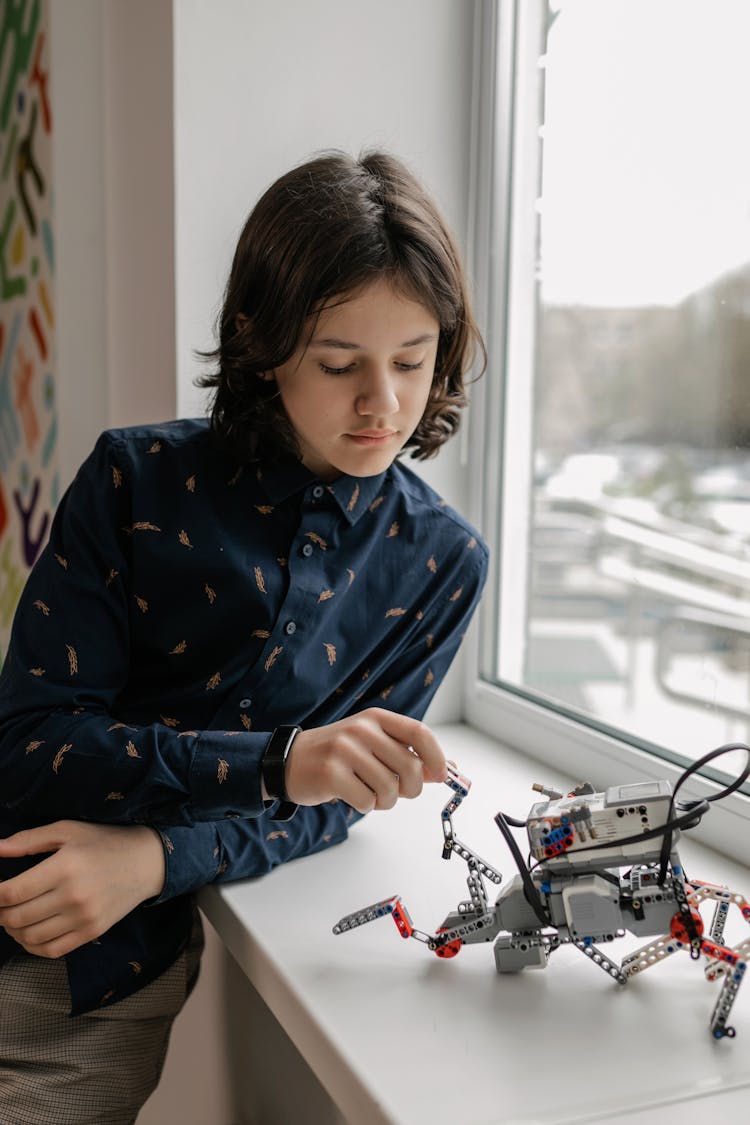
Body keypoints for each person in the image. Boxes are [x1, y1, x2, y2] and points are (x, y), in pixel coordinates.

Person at [0, 149, 488, 1124]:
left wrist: (154, 861)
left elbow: (333, 804)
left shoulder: (441, 563)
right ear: (260, 344)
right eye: (339, 362)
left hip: (90, 966)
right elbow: (31, 748)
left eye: (413, 359)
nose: (382, 405)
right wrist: (276, 760)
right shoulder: (134, 479)